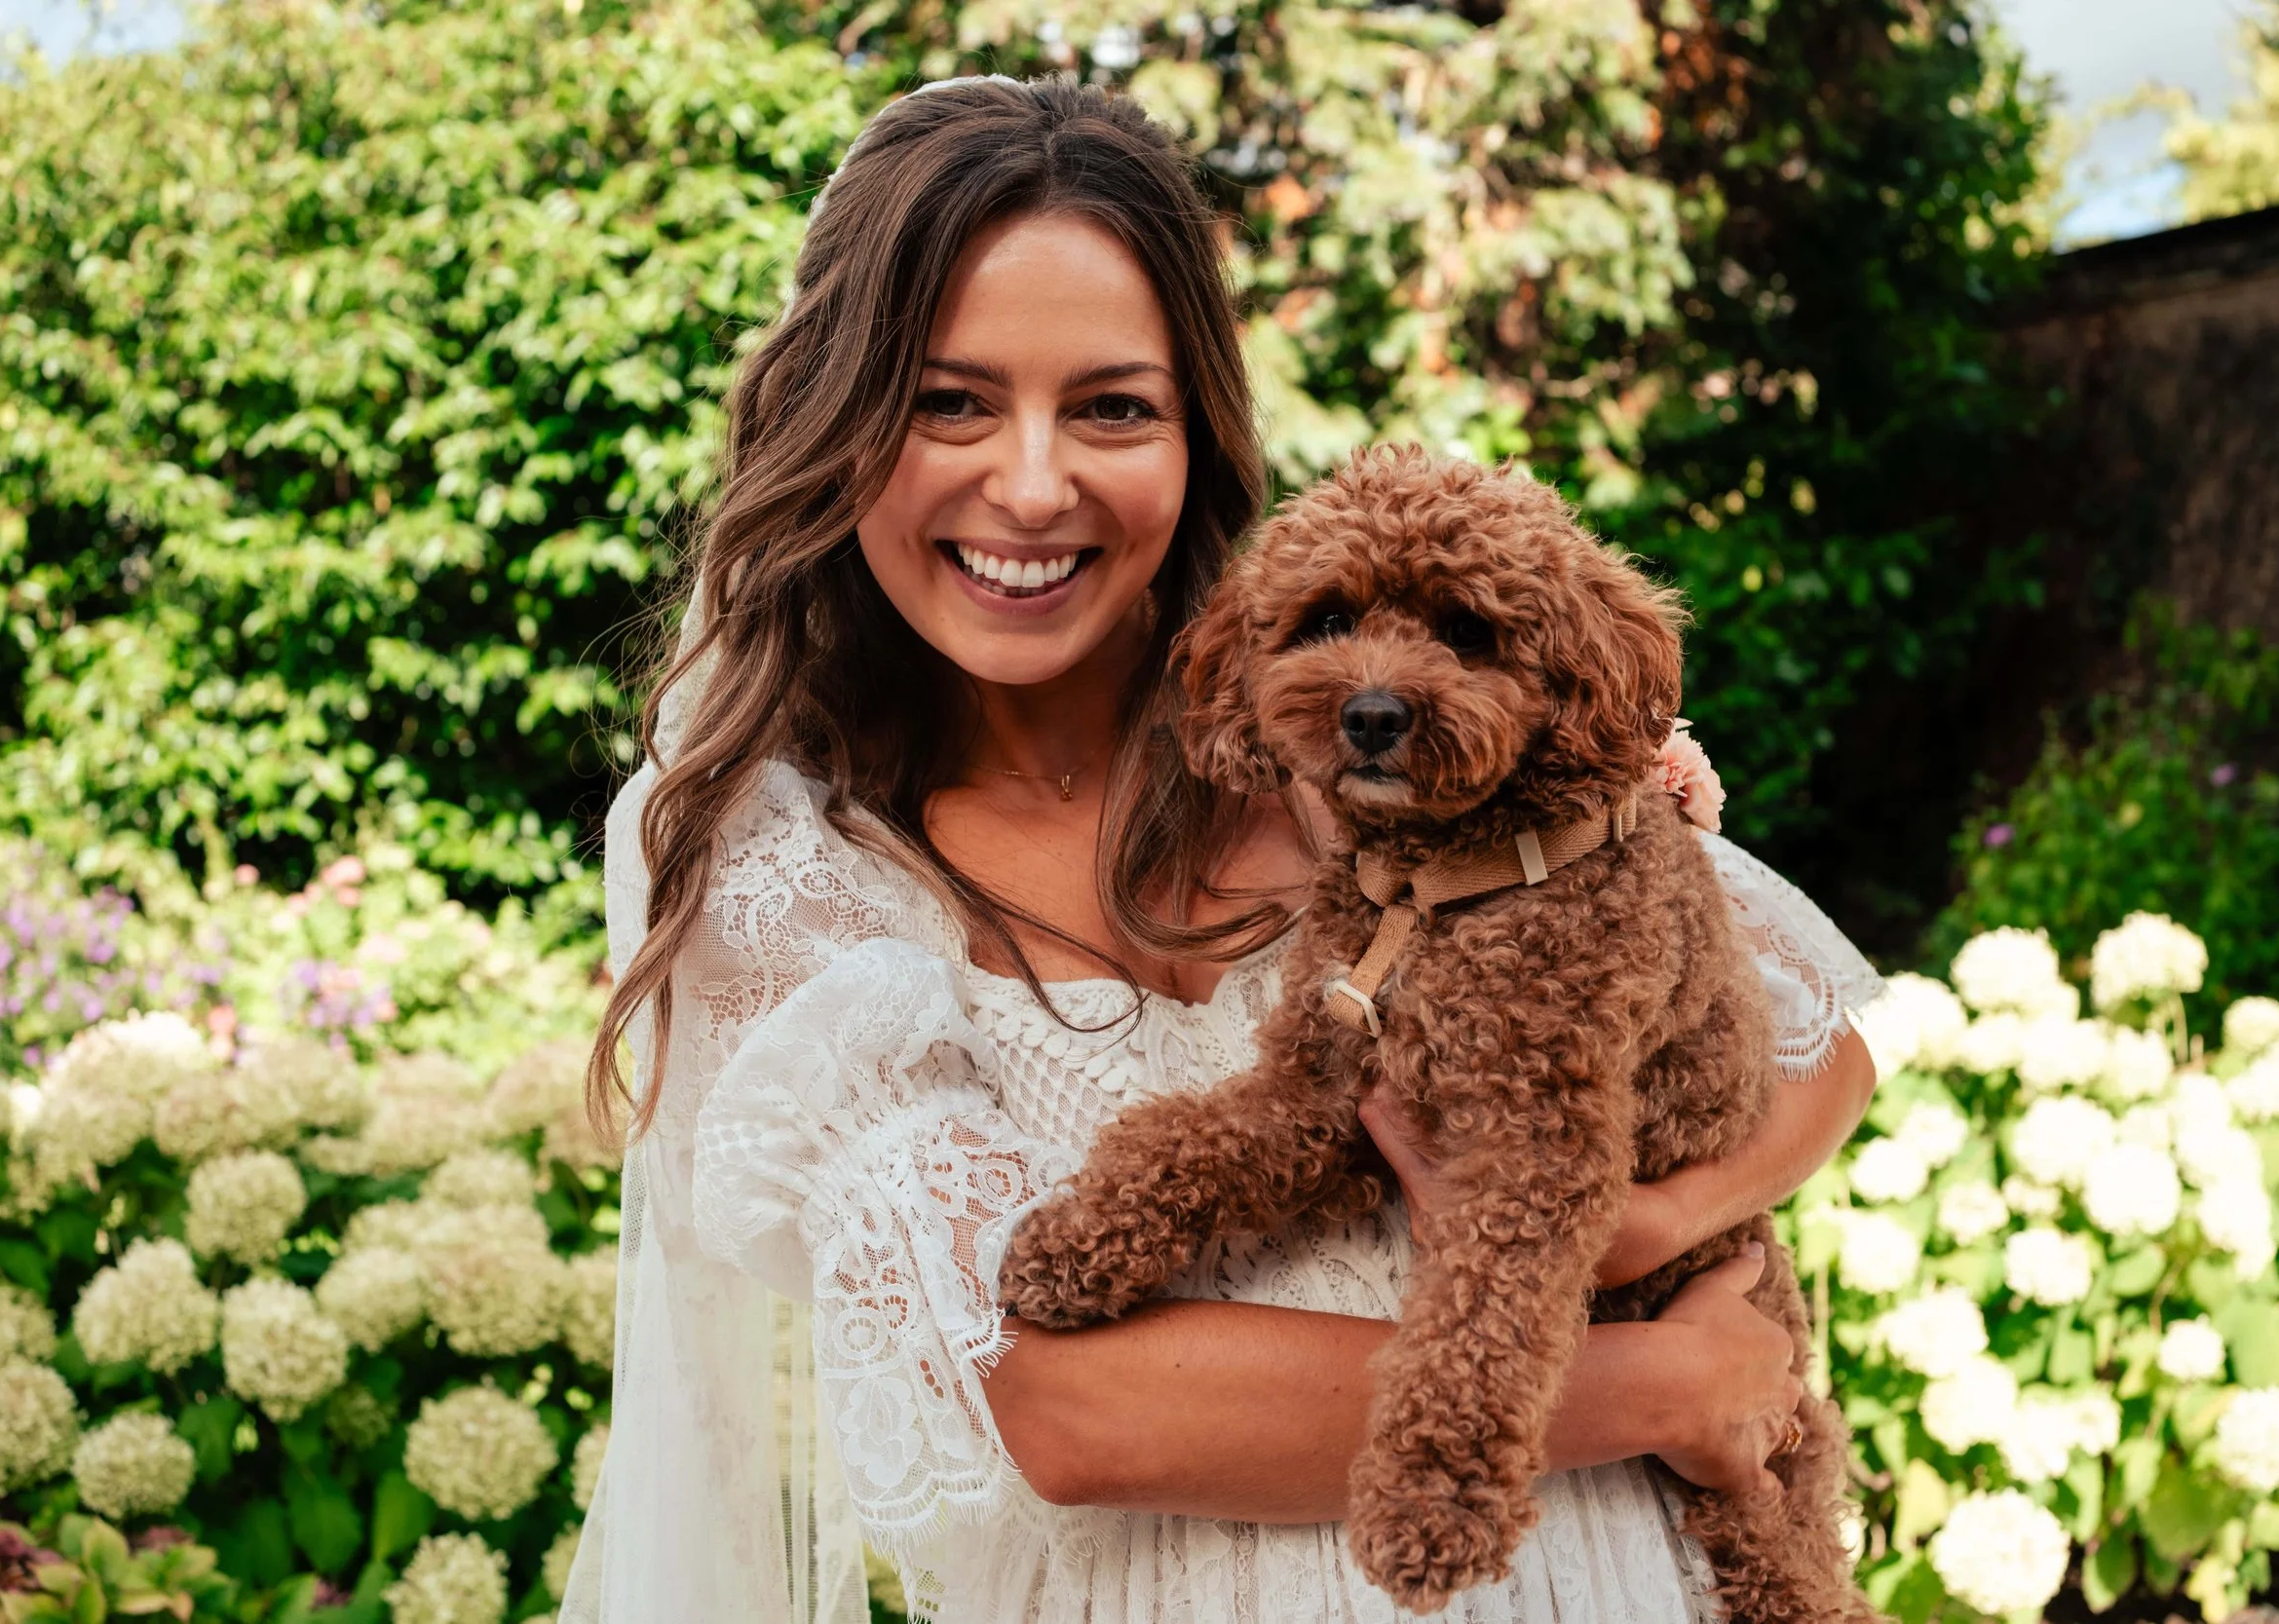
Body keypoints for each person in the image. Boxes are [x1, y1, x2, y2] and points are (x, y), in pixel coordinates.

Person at [557, 75, 1884, 1624]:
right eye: (949, 401)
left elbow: (1815, 1026)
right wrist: (1665, 1377)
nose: (1035, 482)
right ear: (837, 420)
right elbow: (1073, 1409)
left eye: (1112, 405)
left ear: (1197, 436)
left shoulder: (1355, 748)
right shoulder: (782, 858)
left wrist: (1638, 1226)